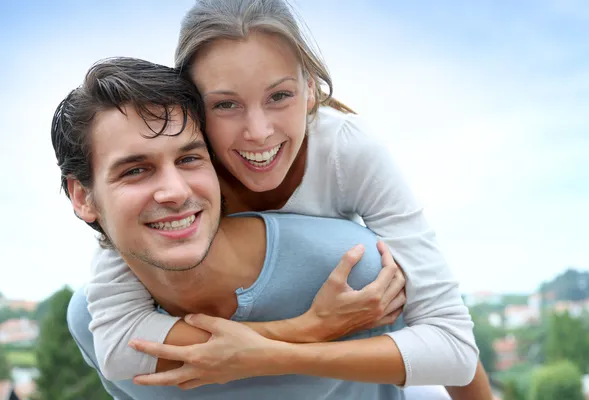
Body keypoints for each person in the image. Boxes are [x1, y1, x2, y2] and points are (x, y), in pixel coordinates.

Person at [86, 0, 492, 398]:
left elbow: (452, 343)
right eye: (226, 105)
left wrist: (274, 356)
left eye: (279, 96)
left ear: (310, 89)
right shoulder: (183, 172)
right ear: (195, 109)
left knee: (369, 261)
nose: (258, 132)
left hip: (361, 364)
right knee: (79, 310)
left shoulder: (346, 151)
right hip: (251, 361)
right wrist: (307, 329)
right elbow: (119, 344)